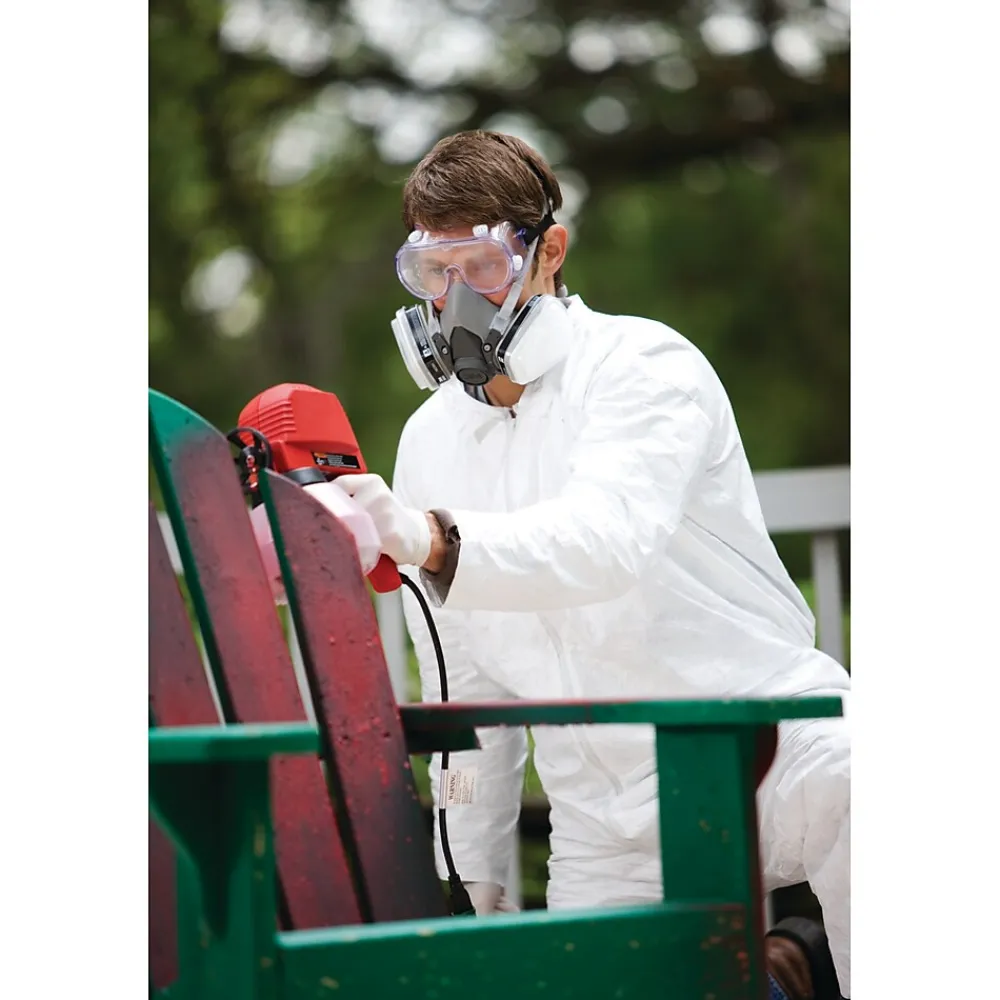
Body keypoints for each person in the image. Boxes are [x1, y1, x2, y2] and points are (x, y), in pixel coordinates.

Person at [337, 130, 851, 1000]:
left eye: (481, 265)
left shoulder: (644, 366)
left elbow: (604, 540)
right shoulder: (429, 441)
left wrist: (431, 537)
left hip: (768, 751)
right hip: (601, 827)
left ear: (549, 252)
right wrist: (472, 883)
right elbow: (464, 695)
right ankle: (780, 975)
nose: (454, 300)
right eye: (432, 272)